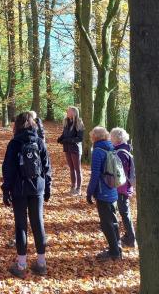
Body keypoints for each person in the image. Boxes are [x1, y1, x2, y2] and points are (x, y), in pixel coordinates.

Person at [1, 112, 52, 279]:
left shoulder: (15, 143)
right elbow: (46, 166)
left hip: (19, 188)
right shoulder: (39, 142)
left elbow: (8, 169)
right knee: (38, 223)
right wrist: (47, 188)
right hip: (37, 187)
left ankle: (21, 265)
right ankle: (41, 264)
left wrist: (6, 190)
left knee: (21, 225)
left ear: (18, 125)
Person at [86, 126, 121, 261]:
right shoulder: (111, 147)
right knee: (113, 221)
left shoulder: (98, 151)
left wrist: (89, 192)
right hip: (113, 190)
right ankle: (117, 247)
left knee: (106, 223)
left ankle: (114, 252)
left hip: (103, 192)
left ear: (95, 137)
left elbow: (95, 175)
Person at [110, 128, 136, 248]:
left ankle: (130, 238)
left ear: (117, 138)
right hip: (122, 188)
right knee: (123, 212)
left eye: (112, 137)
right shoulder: (121, 150)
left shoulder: (121, 153)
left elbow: (121, 174)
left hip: (122, 189)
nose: (110, 139)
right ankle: (128, 236)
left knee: (124, 212)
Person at [57, 106, 84, 196]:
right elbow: (64, 134)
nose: (67, 112)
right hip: (67, 148)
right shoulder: (66, 122)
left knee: (77, 169)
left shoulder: (79, 122)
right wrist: (60, 139)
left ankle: (78, 188)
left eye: (68, 111)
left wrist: (68, 140)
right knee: (71, 169)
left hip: (75, 148)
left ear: (74, 112)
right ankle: (73, 186)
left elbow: (80, 138)